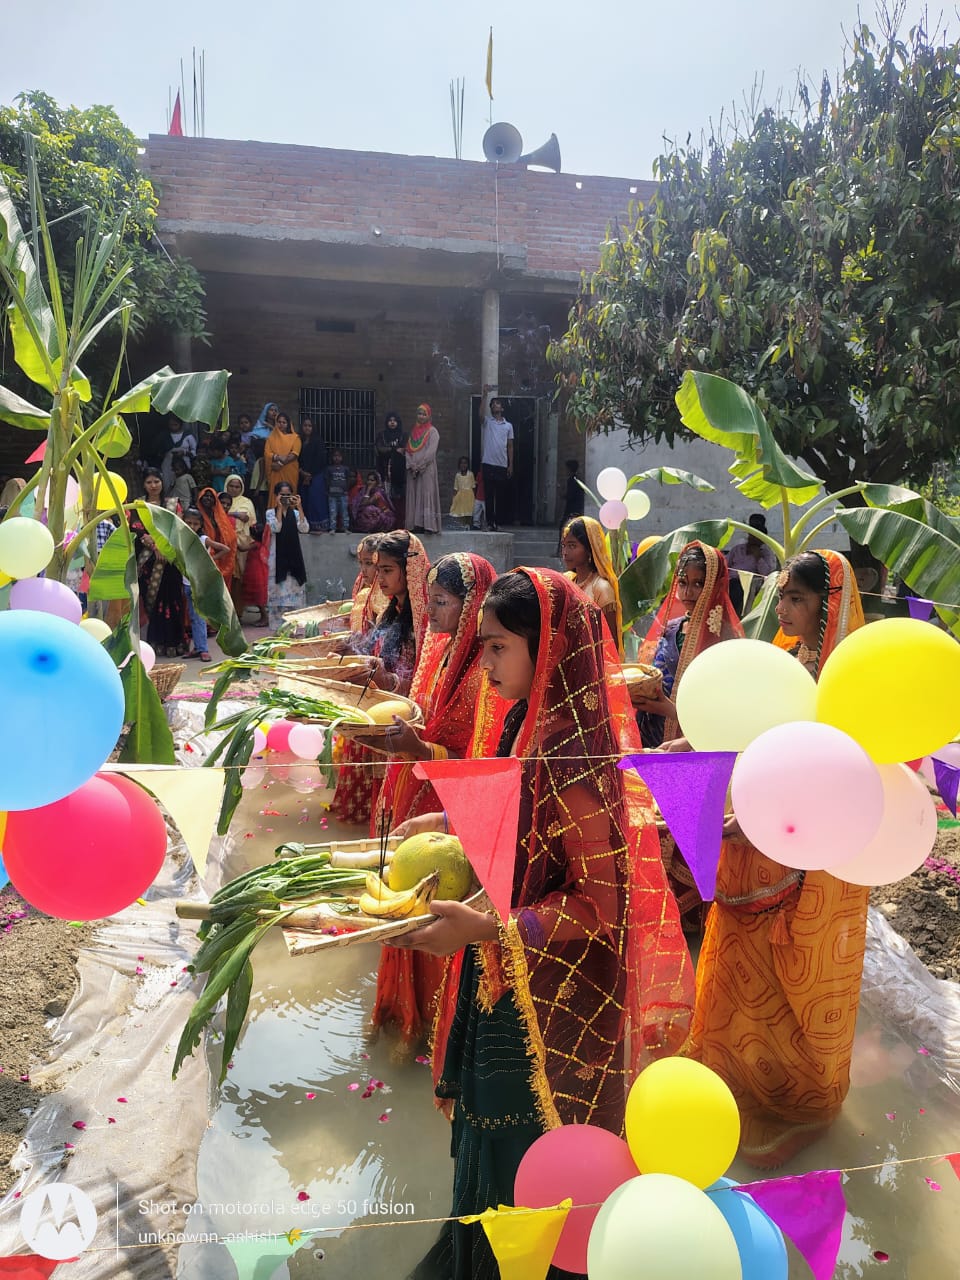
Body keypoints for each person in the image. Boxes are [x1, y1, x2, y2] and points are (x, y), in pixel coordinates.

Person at [396, 569, 694, 1280]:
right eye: (483, 647)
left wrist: (485, 932)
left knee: (525, 1149)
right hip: (504, 966)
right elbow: (523, 828)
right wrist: (448, 820)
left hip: (551, 994)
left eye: (498, 647)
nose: (485, 664)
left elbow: (600, 906)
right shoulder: (524, 722)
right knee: (487, 1132)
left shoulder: (574, 756)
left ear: (548, 646)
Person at [692, 550, 870, 1170]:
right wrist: (696, 742)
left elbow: (838, 780)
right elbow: (755, 739)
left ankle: (800, 1103)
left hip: (810, 861)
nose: (784, 609)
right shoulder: (786, 665)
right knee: (741, 960)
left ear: (828, 606)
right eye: (783, 596)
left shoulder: (844, 689)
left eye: (798, 598)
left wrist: (762, 820)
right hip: (752, 847)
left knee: (792, 977)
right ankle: (734, 1077)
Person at [364, 554, 499, 1056]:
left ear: (471, 608)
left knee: (436, 911)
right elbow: (418, 712)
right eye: (432, 599)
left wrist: (420, 749)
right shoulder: (437, 651)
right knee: (404, 899)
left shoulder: (487, 673)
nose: (432, 611)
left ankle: (434, 1027)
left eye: (442, 602)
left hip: (453, 804)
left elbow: (485, 763)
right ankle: (403, 1016)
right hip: (417, 794)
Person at [331, 531, 430, 825]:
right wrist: (353, 651)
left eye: (387, 570)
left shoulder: (423, 619)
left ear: (408, 570)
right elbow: (376, 652)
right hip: (382, 710)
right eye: (377, 568)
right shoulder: (391, 611)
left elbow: (424, 676)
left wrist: (390, 681)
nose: (379, 577)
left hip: (404, 721)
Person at [635, 542, 743, 749]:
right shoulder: (670, 629)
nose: (688, 592)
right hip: (651, 733)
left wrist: (670, 710)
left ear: (714, 584)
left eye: (698, 584)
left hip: (695, 743)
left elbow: (727, 712)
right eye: (683, 583)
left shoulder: (726, 640)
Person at [130, 469, 188, 657]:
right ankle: (155, 642)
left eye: (156, 481)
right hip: (147, 560)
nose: (153, 485)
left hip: (169, 559)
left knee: (172, 598)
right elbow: (136, 528)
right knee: (152, 601)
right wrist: (155, 546)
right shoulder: (138, 505)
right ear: (144, 484)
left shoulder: (173, 504)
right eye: (149, 482)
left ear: (162, 482)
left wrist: (164, 548)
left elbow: (178, 528)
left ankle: (174, 642)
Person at [560, 516, 624, 654]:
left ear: (590, 549)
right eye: (563, 545)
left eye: (572, 546)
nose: (565, 552)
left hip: (594, 663)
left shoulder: (601, 588)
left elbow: (610, 644)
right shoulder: (566, 581)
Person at [182, 507, 230, 661]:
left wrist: (210, 560)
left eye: (195, 524)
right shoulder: (180, 538)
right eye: (188, 522)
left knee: (199, 617)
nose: (192, 526)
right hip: (186, 582)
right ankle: (198, 647)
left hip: (199, 583)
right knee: (193, 616)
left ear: (200, 525)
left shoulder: (203, 539)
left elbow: (225, 549)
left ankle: (203, 649)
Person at [264, 482, 309, 630]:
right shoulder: (270, 513)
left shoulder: (295, 514)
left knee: (294, 589)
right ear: (276, 496)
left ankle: (294, 626)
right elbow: (276, 528)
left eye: (288, 495)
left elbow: (304, 528)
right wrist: (279, 508)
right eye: (282, 495)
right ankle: (277, 627)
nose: (285, 498)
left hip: (294, 555)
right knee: (277, 590)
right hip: (277, 556)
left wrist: (299, 507)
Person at [725, 513, 779, 615]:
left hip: (746, 583)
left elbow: (767, 573)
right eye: (751, 535)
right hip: (729, 579)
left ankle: (730, 614)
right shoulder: (739, 548)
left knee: (736, 589)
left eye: (755, 537)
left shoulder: (766, 552)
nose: (752, 539)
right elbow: (725, 563)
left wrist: (758, 557)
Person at [479, 386, 514, 531]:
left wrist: (510, 465)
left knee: (500, 496)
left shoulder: (508, 426)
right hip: (488, 463)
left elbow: (510, 446)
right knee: (488, 495)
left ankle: (498, 523)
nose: (495, 405)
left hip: (501, 465)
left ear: (502, 408)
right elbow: (480, 415)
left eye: (497, 403)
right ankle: (489, 523)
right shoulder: (488, 422)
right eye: (492, 404)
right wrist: (484, 395)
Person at [223, 474, 258, 614]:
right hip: (223, 542)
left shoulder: (246, 501)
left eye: (237, 487)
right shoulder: (221, 498)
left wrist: (229, 513)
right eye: (231, 486)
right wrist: (236, 514)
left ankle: (238, 610)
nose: (234, 489)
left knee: (239, 577)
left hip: (241, 542)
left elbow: (247, 518)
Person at [405, 404, 442, 534]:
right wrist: (411, 465)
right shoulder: (413, 432)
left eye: (424, 414)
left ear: (429, 416)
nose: (421, 416)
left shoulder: (433, 432)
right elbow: (408, 450)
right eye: (419, 414)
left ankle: (428, 526)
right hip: (413, 471)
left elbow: (431, 452)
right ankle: (415, 525)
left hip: (426, 469)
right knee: (414, 495)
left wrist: (420, 466)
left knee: (426, 494)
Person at [349, 534, 389, 635]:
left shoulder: (387, 596)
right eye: (361, 563)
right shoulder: (364, 595)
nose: (363, 569)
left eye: (368, 563)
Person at [197, 486, 237, 588]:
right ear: (200, 497)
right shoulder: (194, 513)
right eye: (206, 496)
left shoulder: (218, 516)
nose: (208, 498)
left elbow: (229, 537)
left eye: (211, 497)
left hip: (217, 553)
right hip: (199, 553)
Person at [375, 411, 407, 525]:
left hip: (400, 472)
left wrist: (393, 450)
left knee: (399, 498)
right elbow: (380, 449)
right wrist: (394, 450)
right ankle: (387, 523)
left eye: (394, 421)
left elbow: (405, 450)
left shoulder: (403, 435)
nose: (392, 423)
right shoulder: (382, 435)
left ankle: (399, 523)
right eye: (390, 420)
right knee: (386, 497)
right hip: (385, 471)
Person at [298, 417, 329, 533]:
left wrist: (310, 475)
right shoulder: (299, 441)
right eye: (305, 425)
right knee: (304, 500)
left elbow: (320, 460)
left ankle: (319, 526)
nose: (307, 428)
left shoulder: (318, 441)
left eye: (309, 426)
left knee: (315, 499)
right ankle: (306, 526)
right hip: (301, 475)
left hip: (316, 475)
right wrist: (302, 472)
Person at [264, 411, 301, 509]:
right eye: (279, 422)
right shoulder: (271, 438)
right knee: (275, 495)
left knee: (290, 496)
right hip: (275, 473)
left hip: (289, 472)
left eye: (284, 422)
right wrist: (277, 457)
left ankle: (290, 515)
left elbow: (294, 454)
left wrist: (280, 463)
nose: (281, 424)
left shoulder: (295, 438)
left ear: (288, 424)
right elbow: (267, 454)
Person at [159, 416, 197, 494]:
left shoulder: (188, 436)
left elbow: (194, 453)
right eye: (171, 425)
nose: (173, 427)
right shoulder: (164, 436)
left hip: (184, 465)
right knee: (168, 484)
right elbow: (159, 451)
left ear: (180, 424)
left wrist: (184, 453)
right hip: (168, 466)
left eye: (175, 424)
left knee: (183, 485)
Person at [350, 470, 395, 534]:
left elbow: (365, 503)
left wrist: (368, 490)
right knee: (364, 511)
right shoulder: (363, 490)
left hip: (385, 516)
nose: (369, 482)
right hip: (373, 515)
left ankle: (373, 528)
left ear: (376, 482)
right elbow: (359, 505)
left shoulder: (378, 492)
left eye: (372, 480)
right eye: (368, 480)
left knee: (369, 509)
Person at [555, 458, 585, 552]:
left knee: (563, 528)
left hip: (572, 509)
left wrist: (561, 494)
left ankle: (560, 551)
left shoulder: (572, 480)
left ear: (569, 469)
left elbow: (570, 496)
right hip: (576, 508)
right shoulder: (577, 480)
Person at [326, 449, 352, 534]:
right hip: (332, 494)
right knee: (333, 511)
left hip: (343, 494)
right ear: (332, 457)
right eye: (335, 456)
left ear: (342, 457)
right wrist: (328, 490)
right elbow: (327, 480)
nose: (337, 458)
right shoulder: (329, 469)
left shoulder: (345, 469)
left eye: (339, 456)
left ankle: (346, 527)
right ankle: (333, 528)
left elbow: (348, 479)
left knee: (344, 511)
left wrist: (346, 489)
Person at [449, 456, 475, 524]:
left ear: (468, 465)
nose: (463, 465)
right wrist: (454, 498)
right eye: (462, 463)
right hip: (460, 497)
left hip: (469, 497)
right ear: (459, 465)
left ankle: (468, 525)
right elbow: (455, 488)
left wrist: (474, 498)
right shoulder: (457, 475)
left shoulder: (470, 474)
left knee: (469, 513)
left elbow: (473, 487)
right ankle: (464, 526)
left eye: (465, 463)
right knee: (461, 513)